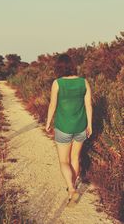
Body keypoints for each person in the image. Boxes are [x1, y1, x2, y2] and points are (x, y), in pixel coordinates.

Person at [46, 54, 92, 206]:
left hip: (64, 127)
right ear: (72, 66)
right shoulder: (83, 82)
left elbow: (52, 105)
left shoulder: (57, 83)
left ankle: (72, 189)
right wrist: (89, 125)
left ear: (59, 67)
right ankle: (71, 187)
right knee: (75, 158)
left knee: (63, 160)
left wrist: (47, 123)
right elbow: (88, 105)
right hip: (80, 127)